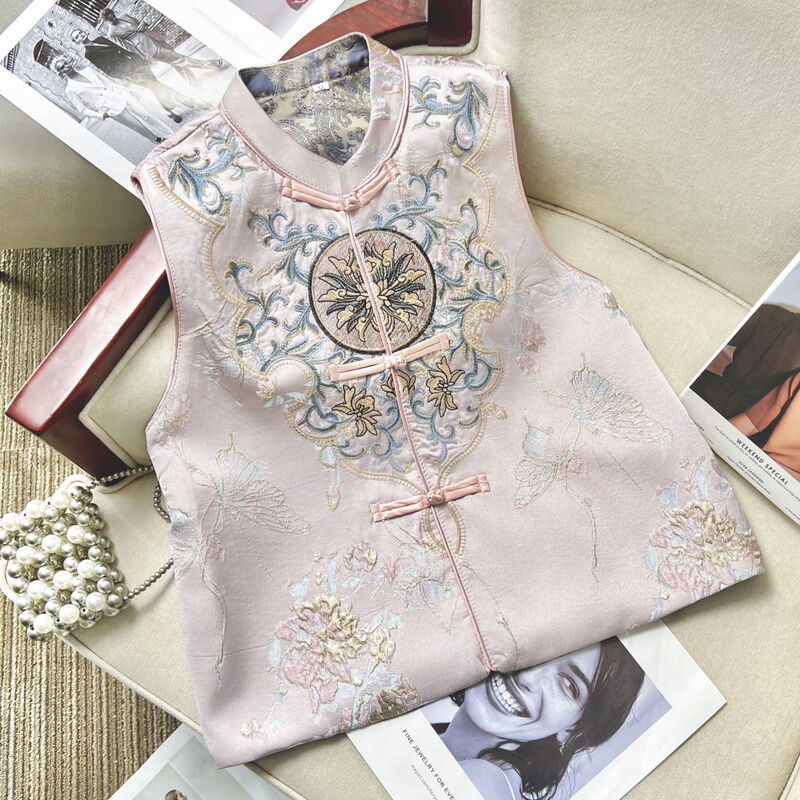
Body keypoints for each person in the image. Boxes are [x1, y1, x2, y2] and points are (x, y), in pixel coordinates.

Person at [432, 639, 645, 800]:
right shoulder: (436, 737)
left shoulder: (483, 782)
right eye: (540, 644)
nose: (527, 677)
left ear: (572, 729)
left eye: (569, 685)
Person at [32, 40, 174, 143]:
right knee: (137, 126)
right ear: (60, 73)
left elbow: (109, 82)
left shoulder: (88, 70)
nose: (65, 67)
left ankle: (170, 134)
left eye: (65, 63)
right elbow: (82, 109)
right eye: (62, 67)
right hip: (109, 108)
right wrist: (101, 115)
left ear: (68, 62)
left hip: (119, 94)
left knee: (146, 114)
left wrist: (127, 91)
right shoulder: (70, 89)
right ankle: (157, 140)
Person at [691, 302, 800, 418]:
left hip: (715, 396)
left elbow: (714, 330)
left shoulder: (774, 315)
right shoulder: (775, 315)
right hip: (757, 420)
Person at [70, 29, 195, 120]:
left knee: (155, 85)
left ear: (84, 32)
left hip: (135, 62)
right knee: (155, 85)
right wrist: (124, 77)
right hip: (128, 72)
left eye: (80, 33)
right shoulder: (89, 54)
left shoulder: (100, 39)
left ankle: (169, 110)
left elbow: (121, 49)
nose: (81, 35)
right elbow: (106, 69)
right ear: (76, 41)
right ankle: (186, 100)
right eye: (77, 36)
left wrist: (138, 58)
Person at [97, 9, 224, 81]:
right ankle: (212, 65)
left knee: (174, 61)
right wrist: (143, 56)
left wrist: (142, 25)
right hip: (146, 47)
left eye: (113, 15)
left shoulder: (124, 16)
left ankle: (191, 81)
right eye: (110, 19)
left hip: (153, 36)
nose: (114, 18)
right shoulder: (111, 33)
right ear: (106, 21)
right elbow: (127, 46)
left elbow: (142, 22)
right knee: (179, 58)